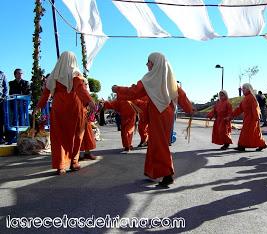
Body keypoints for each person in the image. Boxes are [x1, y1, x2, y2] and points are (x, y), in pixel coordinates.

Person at [113, 52, 194, 187]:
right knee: (156, 144)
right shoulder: (169, 79)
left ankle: (167, 175)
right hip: (166, 114)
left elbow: (134, 92)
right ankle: (152, 171)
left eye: (149, 62)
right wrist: (189, 109)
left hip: (158, 114)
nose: (147, 64)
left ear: (156, 63)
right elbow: (181, 95)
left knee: (159, 144)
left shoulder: (150, 79)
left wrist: (117, 89)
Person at [34, 51, 95, 175]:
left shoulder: (53, 76)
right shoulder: (75, 74)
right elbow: (80, 89)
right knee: (76, 136)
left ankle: (61, 166)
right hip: (74, 108)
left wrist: (39, 106)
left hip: (58, 108)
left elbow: (45, 94)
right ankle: (74, 162)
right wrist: (90, 101)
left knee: (59, 137)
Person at [231, 83, 267, 151]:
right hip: (247, 118)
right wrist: (232, 115)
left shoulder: (251, 97)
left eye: (244, 88)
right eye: (242, 88)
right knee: (250, 132)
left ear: (248, 89)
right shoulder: (246, 98)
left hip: (252, 118)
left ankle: (242, 146)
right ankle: (244, 145)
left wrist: (257, 117)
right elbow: (240, 108)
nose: (242, 90)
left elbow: (255, 107)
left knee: (252, 132)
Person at [0, 71, 8, 144]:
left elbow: (6, 87)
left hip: (0, 100)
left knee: (1, 120)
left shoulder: (2, 74)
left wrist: (3, 97)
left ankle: (0, 138)